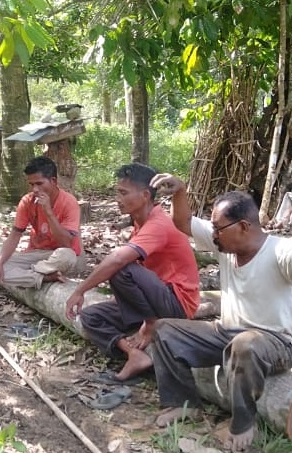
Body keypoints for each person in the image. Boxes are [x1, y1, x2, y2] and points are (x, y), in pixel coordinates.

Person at [147, 173, 292, 453]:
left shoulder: (280, 251)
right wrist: (179, 191)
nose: (213, 234)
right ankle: (184, 404)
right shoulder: (226, 244)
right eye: (213, 228)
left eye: (218, 229)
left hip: (276, 342)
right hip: (227, 332)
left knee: (245, 345)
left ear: (243, 226)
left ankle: (243, 422)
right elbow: (183, 223)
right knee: (165, 330)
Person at [65, 163, 200, 384]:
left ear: (146, 195)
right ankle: (134, 354)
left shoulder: (158, 224)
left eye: (123, 192)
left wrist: (80, 290)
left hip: (177, 305)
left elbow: (119, 260)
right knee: (91, 316)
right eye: (117, 192)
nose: (117, 198)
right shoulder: (140, 223)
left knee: (121, 267)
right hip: (157, 299)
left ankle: (151, 325)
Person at [0, 156, 82, 288]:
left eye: (39, 184)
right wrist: (0, 262)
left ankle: (31, 274)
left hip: (59, 256)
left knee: (67, 256)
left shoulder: (69, 202)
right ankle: (42, 277)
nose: (35, 189)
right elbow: (15, 235)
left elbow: (66, 243)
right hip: (36, 255)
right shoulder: (27, 201)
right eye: (31, 184)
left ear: (53, 181)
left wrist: (48, 212)